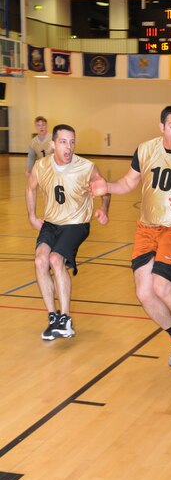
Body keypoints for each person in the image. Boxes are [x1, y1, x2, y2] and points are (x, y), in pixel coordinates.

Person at [90, 105, 171, 372]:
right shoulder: (145, 150)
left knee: (161, 286)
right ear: (162, 127)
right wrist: (107, 187)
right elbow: (128, 184)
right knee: (143, 292)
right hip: (147, 227)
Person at [25, 124, 111, 340]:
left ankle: (65, 319)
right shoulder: (41, 165)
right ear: (53, 144)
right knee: (40, 261)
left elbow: (105, 189)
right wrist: (32, 216)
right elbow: (30, 188)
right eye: (63, 142)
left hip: (76, 223)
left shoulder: (86, 167)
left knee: (55, 259)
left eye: (72, 142)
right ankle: (53, 317)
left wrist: (103, 209)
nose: (69, 147)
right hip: (52, 223)